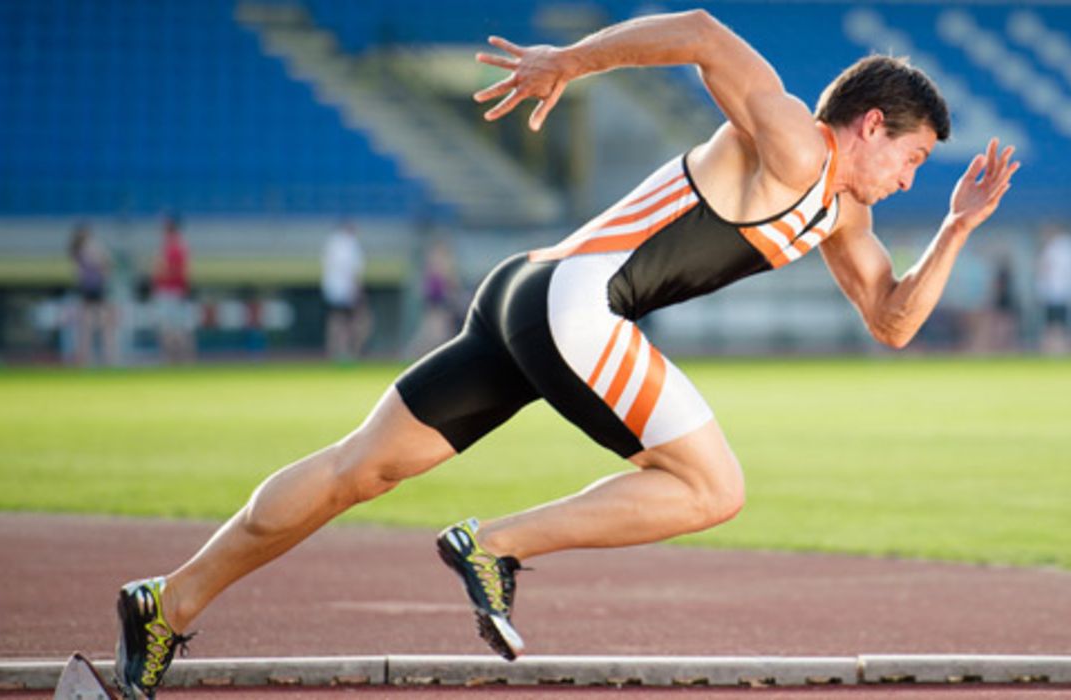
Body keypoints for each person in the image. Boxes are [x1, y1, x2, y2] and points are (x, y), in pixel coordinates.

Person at [112, 10, 1019, 698]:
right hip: (576, 306)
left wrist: (953, 228)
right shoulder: (791, 140)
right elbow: (703, 32)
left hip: (523, 295)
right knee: (713, 488)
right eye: (912, 159)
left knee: (358, 470)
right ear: (868, 125)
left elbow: (892, 320)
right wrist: (568, 62)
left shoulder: (843, 216)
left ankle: (170, 602)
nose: (909, 180)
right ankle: (493, 546)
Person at [67, 222, 118, 366]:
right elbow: (105, 263)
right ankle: (103, 356)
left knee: (90, 325)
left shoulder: (80, 250)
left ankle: (90, 356)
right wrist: (104, 263)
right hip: (94, 289)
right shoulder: (87, 248)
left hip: (91, 289)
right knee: (99, 325)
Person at [321, 220, 370, 361]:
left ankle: (336, 351)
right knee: (352, 322)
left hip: (333, 290)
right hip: (346, 291)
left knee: (336, 321)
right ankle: (348, 352)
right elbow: (352, 271)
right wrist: (357, 289)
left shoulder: (333, 243)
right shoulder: (350, 245)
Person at [151, 215, 196, 364]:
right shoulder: (170, 247)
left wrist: (162, 269)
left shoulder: (176, 248)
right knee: (172, 328)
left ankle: (177, 358)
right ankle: (176, 359)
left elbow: (178, 271)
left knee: (174, 329)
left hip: (172, 292)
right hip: (170, 292)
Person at [1036, 223, 1071, 355]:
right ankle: (1059, 347)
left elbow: (1046, 268)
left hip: (1055, 291)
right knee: (1059, 322)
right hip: (1062, 290)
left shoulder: (1055, 248)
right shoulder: (1068, 247)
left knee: (1055, 323)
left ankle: (1056, 348)